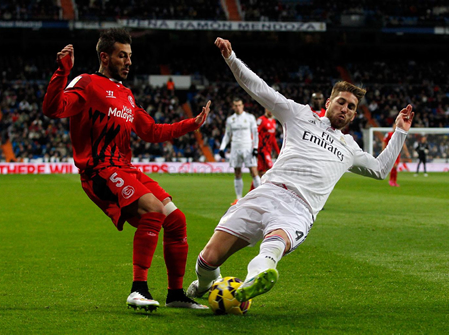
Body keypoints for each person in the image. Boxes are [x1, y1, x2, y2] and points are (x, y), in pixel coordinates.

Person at [187, 37, 414, 304]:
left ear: (354, 115)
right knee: (209, 258)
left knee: (275, 243)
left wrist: (400, 131)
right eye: (341, 102)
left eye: (351, 107)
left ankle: (255, 279)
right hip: (267, 192)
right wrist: (231, 58)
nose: (345, 109)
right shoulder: (299, 114)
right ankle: (205, 283)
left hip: (299, 209)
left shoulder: (350, 147)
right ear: (329, 101)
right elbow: (258, 88)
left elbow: (380, 169)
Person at [42, 28, 211, 312]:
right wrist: (61, 71)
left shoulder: (127, 95)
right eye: (123, 55)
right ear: (105, 57)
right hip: (99, 170)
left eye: (130, 56)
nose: (129, 61)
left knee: (176, 220)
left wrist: (191, 124)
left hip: (124, 168)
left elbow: (151, 131)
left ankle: (176, 294)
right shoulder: (87, 82)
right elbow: (53, 108)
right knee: (153, 210)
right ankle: (138, 290)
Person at [219, 97, 261, 205]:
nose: (238, 107)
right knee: (237, 172)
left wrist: (255, 147)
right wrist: (222, 148)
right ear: (233, 107)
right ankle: (238, 198)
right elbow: (227, 135)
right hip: (235, 148)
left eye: (239, 105)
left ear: (243, 105)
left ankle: (261, 196)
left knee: (253, 171)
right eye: (235, 105)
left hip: (247, 147)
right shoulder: (230, 120)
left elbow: (255, 133)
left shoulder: (250, 117)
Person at [249, 108, 280, 191]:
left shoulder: (273, 122)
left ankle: (250, 193)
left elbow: (273, 139)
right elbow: (254, 134)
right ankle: (272, 192)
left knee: (260, 174)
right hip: (262, 151)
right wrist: (253, 147)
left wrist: (278, 152)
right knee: (272, 169)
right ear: (265, 109)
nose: (270, 111)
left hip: (268, 151)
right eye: (268, 109)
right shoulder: (261, 120)